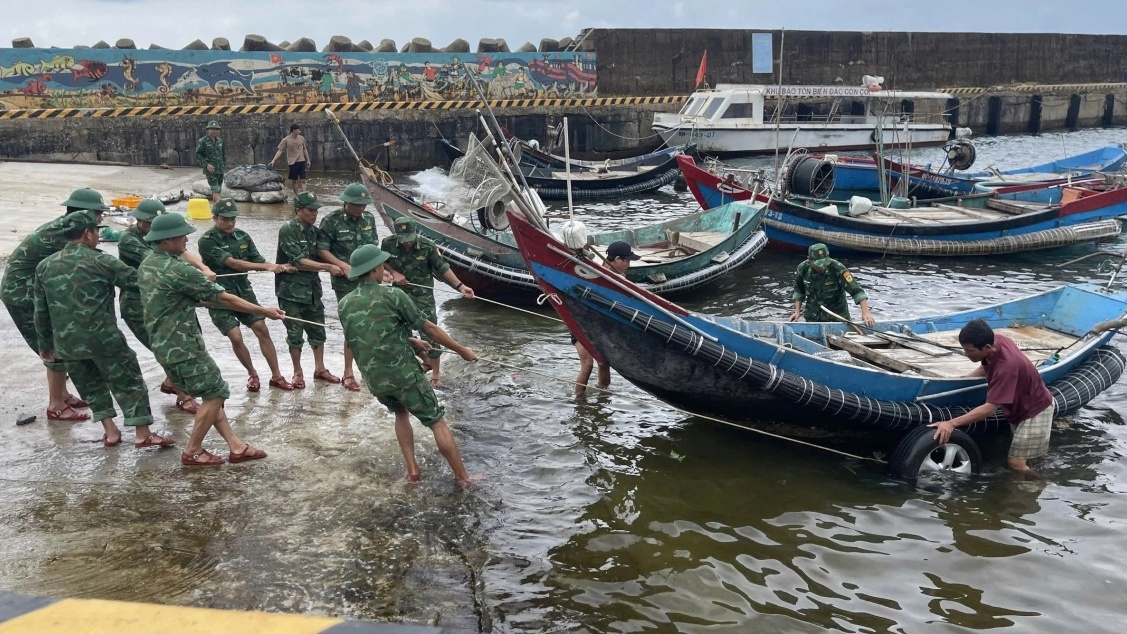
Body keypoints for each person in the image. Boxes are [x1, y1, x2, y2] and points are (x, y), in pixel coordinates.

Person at [138, 213, 282, 466]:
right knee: (215, 392)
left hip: (162, 342)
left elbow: (191, 298)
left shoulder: (148, 264)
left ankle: (236, 447)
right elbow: (222, 298)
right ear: (168, 239)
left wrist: (205, 292)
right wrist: (263, 311)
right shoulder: (179, 269)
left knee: (210, 393)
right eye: (182, 235)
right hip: (182, 344)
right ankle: (193, 450)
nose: (186, 239)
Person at [338, 244, 478, 488]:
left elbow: (367, 336)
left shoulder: (345, 303)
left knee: (401, 413)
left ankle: (412, 471)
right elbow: (430, 328)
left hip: (375, 379)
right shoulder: (393, 295)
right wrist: (462, 350)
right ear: (374, 270)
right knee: (436, 421)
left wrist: (411, 341)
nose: (385, 269)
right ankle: (463, 478)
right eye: (382, 265)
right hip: (403, 374)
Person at [33, 211, 174, 449]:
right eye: (97, 231)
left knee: (91, 387)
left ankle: (110, 432)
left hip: (67, 344)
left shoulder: (44, 266)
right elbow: (139, 280)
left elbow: (40, 311)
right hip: (104, 339)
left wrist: (45, 346)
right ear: (88, 233)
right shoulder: (102, 261)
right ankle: (142, 433)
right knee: (129, 382)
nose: (98, 236)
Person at [1, 187, 112, 422]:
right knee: (54, 347)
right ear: (85, 213)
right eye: (98, 214)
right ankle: (56, 406)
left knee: (59, 344)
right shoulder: (63, 234)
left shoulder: (65, 227)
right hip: (23, 294)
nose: (100, 219)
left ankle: (63, 394)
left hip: (30, 289)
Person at [117, 198, 210, 414]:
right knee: (166, 348)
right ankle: (183, 396)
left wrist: (203, 268)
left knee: (191, 337)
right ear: (139, 220)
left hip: (167, 298)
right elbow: (161, 262)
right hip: (139, 302)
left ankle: (171, 382)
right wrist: (193, 277)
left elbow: (179, 251)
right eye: (150, 223)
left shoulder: (163, 235)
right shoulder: (128, 240)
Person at [929, 319, 1055, 477]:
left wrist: (952, 423)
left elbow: (990, 408)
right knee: (1024, 453)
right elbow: (986, 365)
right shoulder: (996, 340)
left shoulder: (1007, 368)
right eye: (964, 349)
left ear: (987, 347)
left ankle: (1044, 482)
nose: (966, 354)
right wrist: (965, 379)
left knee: (1016, 464)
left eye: (970, 351)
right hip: (1019, 403)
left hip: (1035, 409)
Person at [198, 198, 296, 392]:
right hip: (219, 295)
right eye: (225, 219)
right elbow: (233, 264)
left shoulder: (243, 236)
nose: (229, 223)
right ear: (215, 218)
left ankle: (276, 376)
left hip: (244, 291)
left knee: (261, 328)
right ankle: (252, 373)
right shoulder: (207, 241)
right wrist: (267, 266)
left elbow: (257, 260)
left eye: (233, 218)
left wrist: (280, 267)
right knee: (235, 336)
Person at [382, 216, 474, 387]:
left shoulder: (427, 246)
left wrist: (461, 286)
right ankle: (419, 363)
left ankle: (436, 374)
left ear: (415, 233)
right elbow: (382, 262)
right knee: (401, 332)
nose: (407, 244)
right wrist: (393, 272)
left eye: (409, 240)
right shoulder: (387, 243)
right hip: (398, 295)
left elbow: (442, 267)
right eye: (404, 241)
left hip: (423, 297)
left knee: (431, 334)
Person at [316, 182, 380, 392]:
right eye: (356, 205)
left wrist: (384, 270)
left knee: (372, 322)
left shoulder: (369, 219)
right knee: (353, 326)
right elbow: (322, 249)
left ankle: (371, 368)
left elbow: (373, 248)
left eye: (363, 205)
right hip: (346, 281)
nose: (361, 209)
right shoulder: (331, 221)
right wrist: (343, 265)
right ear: (345, 202)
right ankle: (348, 372)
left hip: (370, 277)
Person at [276, 191, 343, 388]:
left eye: (316, 210)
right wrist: (327, 267)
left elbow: (323, 253)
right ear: (298, 210)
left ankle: (320, 368)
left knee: (318, 330)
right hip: (291, 292)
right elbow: (298, 260)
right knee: (295, 334)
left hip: (312, 290)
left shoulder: (315, 232)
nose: (314, 214)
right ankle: (298, 372)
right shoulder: (288, 229)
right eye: (310, 210)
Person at [573, 241, 636, 396]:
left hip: (600, 325)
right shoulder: (595, 273)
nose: (629, 264)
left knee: (603, 363)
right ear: (618, 259)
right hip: (581, 323)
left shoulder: (620, 278)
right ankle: (579, 401)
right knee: (588, 365)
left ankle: (603, 396)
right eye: (627, 261)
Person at [789, 242, 874, 326]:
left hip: (837, 317)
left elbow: (857, 292)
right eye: (818, 265)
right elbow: (799, 291)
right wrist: (797, 312)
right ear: (809, 260)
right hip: (813, 317)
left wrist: (865, 313)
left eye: (824, 264)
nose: (822, 267)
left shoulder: (838, 269)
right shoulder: (803, 269)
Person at [268, 123, 311, 196]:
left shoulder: (301, 138)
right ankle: (297, 196)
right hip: (292, 163)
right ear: (294, 130)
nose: (300, 131)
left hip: (301, 161)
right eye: (298, 130)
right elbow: (280, 150)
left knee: (303, 180)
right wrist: (273, 160)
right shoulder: (286, 140)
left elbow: (304, 149)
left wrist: (308, 160)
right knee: (294, 181)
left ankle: (304, 194)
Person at [195, 120, 226, 203]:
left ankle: (215, 209)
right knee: (215, 188)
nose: (214, 131)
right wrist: (206, 165)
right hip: (210, 170)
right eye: (212, 129)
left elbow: (223, 155)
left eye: (216, 129)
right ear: (208, 130)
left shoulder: (220, 141)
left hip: (220, 169)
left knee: (218, 189)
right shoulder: (203, 141)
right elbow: (198, 155)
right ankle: (221, 207)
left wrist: (223, 166)